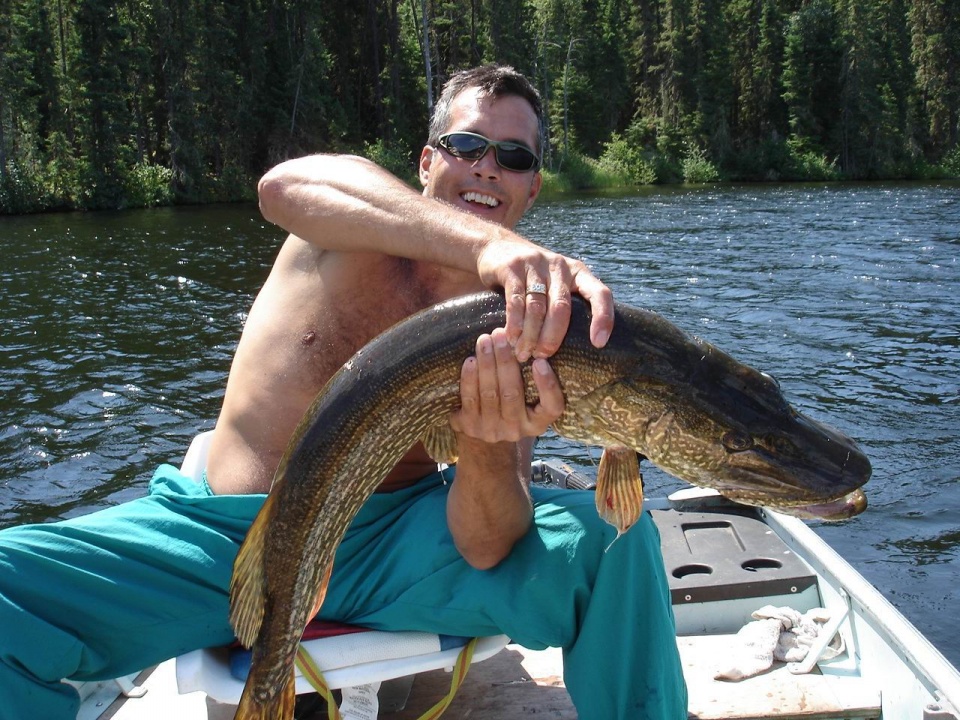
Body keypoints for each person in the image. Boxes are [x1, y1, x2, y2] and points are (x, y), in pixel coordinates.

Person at [0, 64, 687, 719]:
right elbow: (281, 187)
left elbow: (484, 546)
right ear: (425, 162)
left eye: (513, 157)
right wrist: (483, 246)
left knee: (614, 539)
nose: (487, 166)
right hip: (218, 539)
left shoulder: (528, 316)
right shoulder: (349, 220)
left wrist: (484, 445)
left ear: (533, 188)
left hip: (392, 542)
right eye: (467, 144)